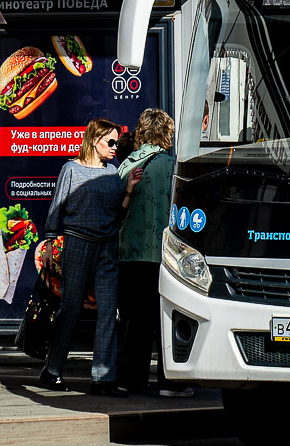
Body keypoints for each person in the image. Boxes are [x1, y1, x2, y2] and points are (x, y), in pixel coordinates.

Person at [38, 119, 142, 395]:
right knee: (70, 309)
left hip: (107, 247)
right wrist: (49, 241)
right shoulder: (71, 169)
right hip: (78, 244)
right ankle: (52, 371)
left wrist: (129, 188)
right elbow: (56, 206)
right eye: (110, 142)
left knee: (109, 311)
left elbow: (119, 213)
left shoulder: (113, 173)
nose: (114, 147)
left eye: (116, 142)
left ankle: (103, 378)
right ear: (94, 141)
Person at [115, 109, 192, 397]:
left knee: (134, 320)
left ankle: (129, 379)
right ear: (167, 134)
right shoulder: (175, 167)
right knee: (165, 320)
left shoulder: (127, 165)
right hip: (166, 256)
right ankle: (170, 383)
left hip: (130, 254)